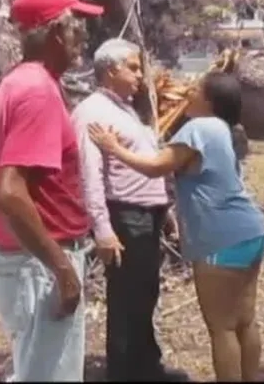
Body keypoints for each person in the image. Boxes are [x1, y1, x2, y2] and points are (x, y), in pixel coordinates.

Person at [87, 72, 264, 381]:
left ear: (209, 101)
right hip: (250, 231)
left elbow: (157, 166)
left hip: (221, 239)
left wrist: (113, 147)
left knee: (222, 327)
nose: (188, 92)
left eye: (195, 89)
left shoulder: (199, 128)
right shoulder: (223, 129)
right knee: (244, 321)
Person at [0, 0, 103, 381]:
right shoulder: (38, 92)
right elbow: (10, 193)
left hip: (20, 259)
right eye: (77, 24)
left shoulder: (7, 86)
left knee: (33, 372)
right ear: (57, 33)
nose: (83, 35)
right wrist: (61, 268)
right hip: (40, 264)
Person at [71, 39, 187, 382]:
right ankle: (124, 372)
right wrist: (103, 229)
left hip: (147, 216)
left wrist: (164, 214)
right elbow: (89, 175)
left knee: (146, 293)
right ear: (111, 70)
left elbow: (145, 166)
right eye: (133, 67)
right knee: (126, 299)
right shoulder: (92, 112)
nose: (140, 75)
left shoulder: (125, 109)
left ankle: (146, 366)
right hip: (125, 217)